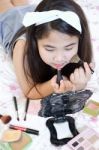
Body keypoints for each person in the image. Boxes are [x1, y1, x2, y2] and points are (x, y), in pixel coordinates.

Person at [0, 0, 94, 100]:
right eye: (49, 49)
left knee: (20, 2)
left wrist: (78, 85)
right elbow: (29, 92)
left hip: (33, 11)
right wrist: (51, 85)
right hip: (11, 22)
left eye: (69, 48)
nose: (59, 58)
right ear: (35, 41)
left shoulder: (81, 45)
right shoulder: (23, 48)